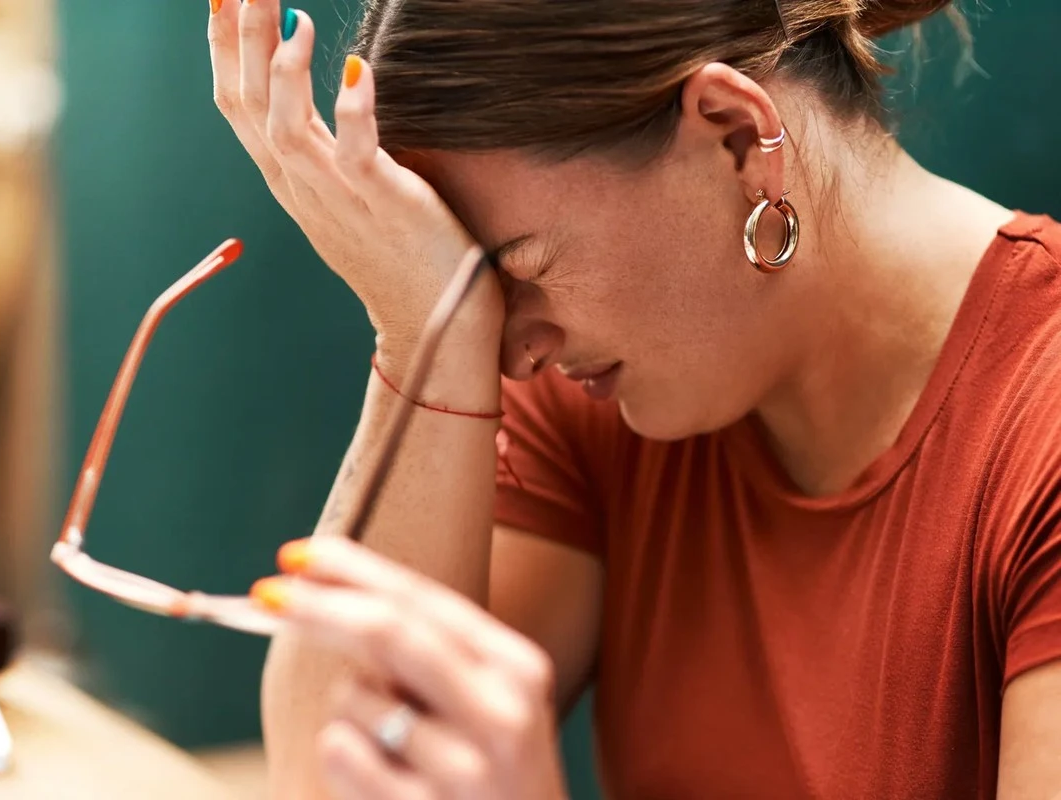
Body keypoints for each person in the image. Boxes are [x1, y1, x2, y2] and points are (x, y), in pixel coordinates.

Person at [206, 0, 1061, 796]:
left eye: (520, 271)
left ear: (735, 138)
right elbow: (330, 775)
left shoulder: (1038, 426)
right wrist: (421, 331)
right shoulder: (607, 386)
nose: (507, 353)